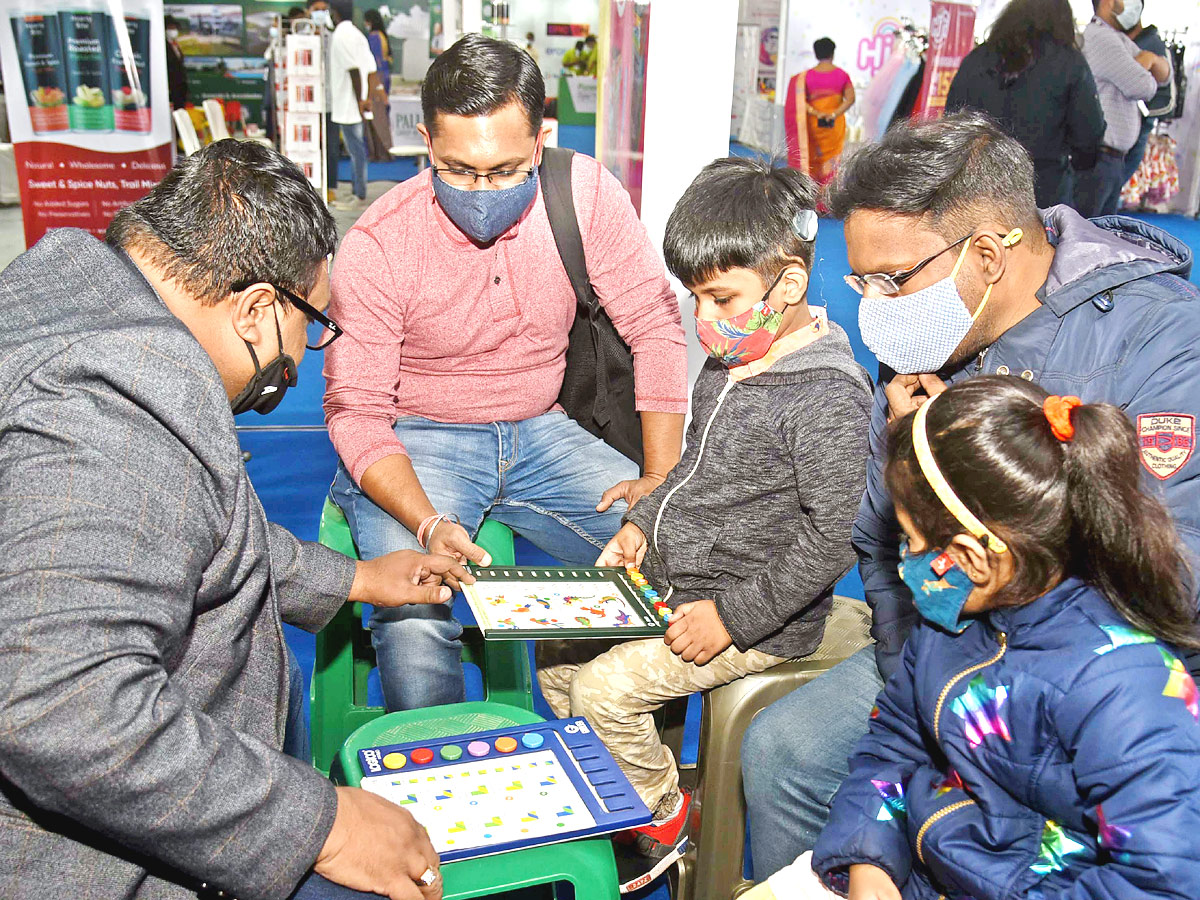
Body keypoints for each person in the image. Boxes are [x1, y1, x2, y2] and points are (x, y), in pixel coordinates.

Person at [0, 139, 475, 900]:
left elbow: (184, 526)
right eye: (309, 324)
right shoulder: (115, 403)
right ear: (256, 310)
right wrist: (321, 826)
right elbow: (59, 701)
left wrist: (352, 577)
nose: (303, 352)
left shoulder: (75, 290)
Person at [740, 110, 1200, 881]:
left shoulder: (1161, 345)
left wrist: (971, 723)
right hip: (940, 643)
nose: (871, 307)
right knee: (782, 751)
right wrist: (918, 683)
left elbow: (1165, 583)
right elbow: (883, 546)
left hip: (1096, 683)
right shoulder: (930, 336)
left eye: (890, 280)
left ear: (987, 254)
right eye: (858, 280)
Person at [324, 34, 688, 712]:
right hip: (418, 438)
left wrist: (660, 487)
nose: (483, 192)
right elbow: (357, 412)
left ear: (541, 141)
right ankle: (436, 792)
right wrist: (427, 524)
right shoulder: (379, 242)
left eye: (507, 170)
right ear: (427, 144)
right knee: (414, 613)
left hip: (544, 428)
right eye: (460, 170)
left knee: (674, 556)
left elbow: (656, 328)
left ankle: (641, 775)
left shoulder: (582, 195)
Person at [538, 157, 872, 881]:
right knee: (556, 658)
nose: (705, 322)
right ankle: (622, 789)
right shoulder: (731, 358)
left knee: (601, 691)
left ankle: (664, 814)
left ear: (787, 284)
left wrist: (733, 616)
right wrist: (641, 522)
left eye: (722, 298)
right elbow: (689, 471)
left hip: (757, 621)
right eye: (695, 300)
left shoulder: (828, 397)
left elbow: (833, 538)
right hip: (676, 580)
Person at [758, 376, 1200, 899]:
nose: (904, 565)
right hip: (926, 869)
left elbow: (1163, 882)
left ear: (971, 557)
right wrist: (867, 856)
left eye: (913, 541)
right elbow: (895, 739)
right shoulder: (949, 618)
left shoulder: (1125, 682)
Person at [945, 0, 1104, 207]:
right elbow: (1089, 136)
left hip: (977, 191)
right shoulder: (1070, 62)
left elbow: (952, 124)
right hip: (1043, 193)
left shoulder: (975, 59)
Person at [1076, 0, 1170, 217]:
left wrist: (1152, 60)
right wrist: (1148, 65)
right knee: (1084, 235)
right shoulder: (1101, 39)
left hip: (1111, 160)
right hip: (1098, 160)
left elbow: (1166, 76)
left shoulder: (1117, 39)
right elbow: (1143, 87)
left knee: (1100, 233)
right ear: (1108, 2)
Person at [325, 0, 385, 211]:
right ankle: (357, 192)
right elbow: (369, 68)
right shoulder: (357, 34)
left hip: (348, 103)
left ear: (335, 13)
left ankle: (359, 195)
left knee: (355, 149)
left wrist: (360, 99)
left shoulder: (341, 36)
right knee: (356, 148)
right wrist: (366, 98)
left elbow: (353, 71)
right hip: (353, 102)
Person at [1119, 0, 1175, 186]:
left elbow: (1165, 97)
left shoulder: (1150, 44)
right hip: (1129, 133)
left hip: (1134, 131)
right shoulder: (1125, 41)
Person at [785, 38, 855, 185]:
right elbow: (850, 99)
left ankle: (810, 192)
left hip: (813, 125)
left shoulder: (805, 77)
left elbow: (800, 102)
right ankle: (827, 195)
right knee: (832, 160)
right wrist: (834, 114)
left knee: (812, 159)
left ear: (816, 54)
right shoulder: (842, 75)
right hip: (834, 126)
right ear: (832, 53)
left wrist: (816, 113)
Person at [364, 9, 392, 95]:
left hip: (378, 77)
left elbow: (376, 60)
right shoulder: (382, 35)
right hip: (385, 74)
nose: (364, 24)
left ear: (370, 22)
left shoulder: (374, 37)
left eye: (366, 21)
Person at [165, 14, 188, 110]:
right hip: (171, 87)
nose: (173, 30)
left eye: (175, 27)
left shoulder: (175, 44)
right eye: (170, 27)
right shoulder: (163, 46)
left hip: (180, 87)